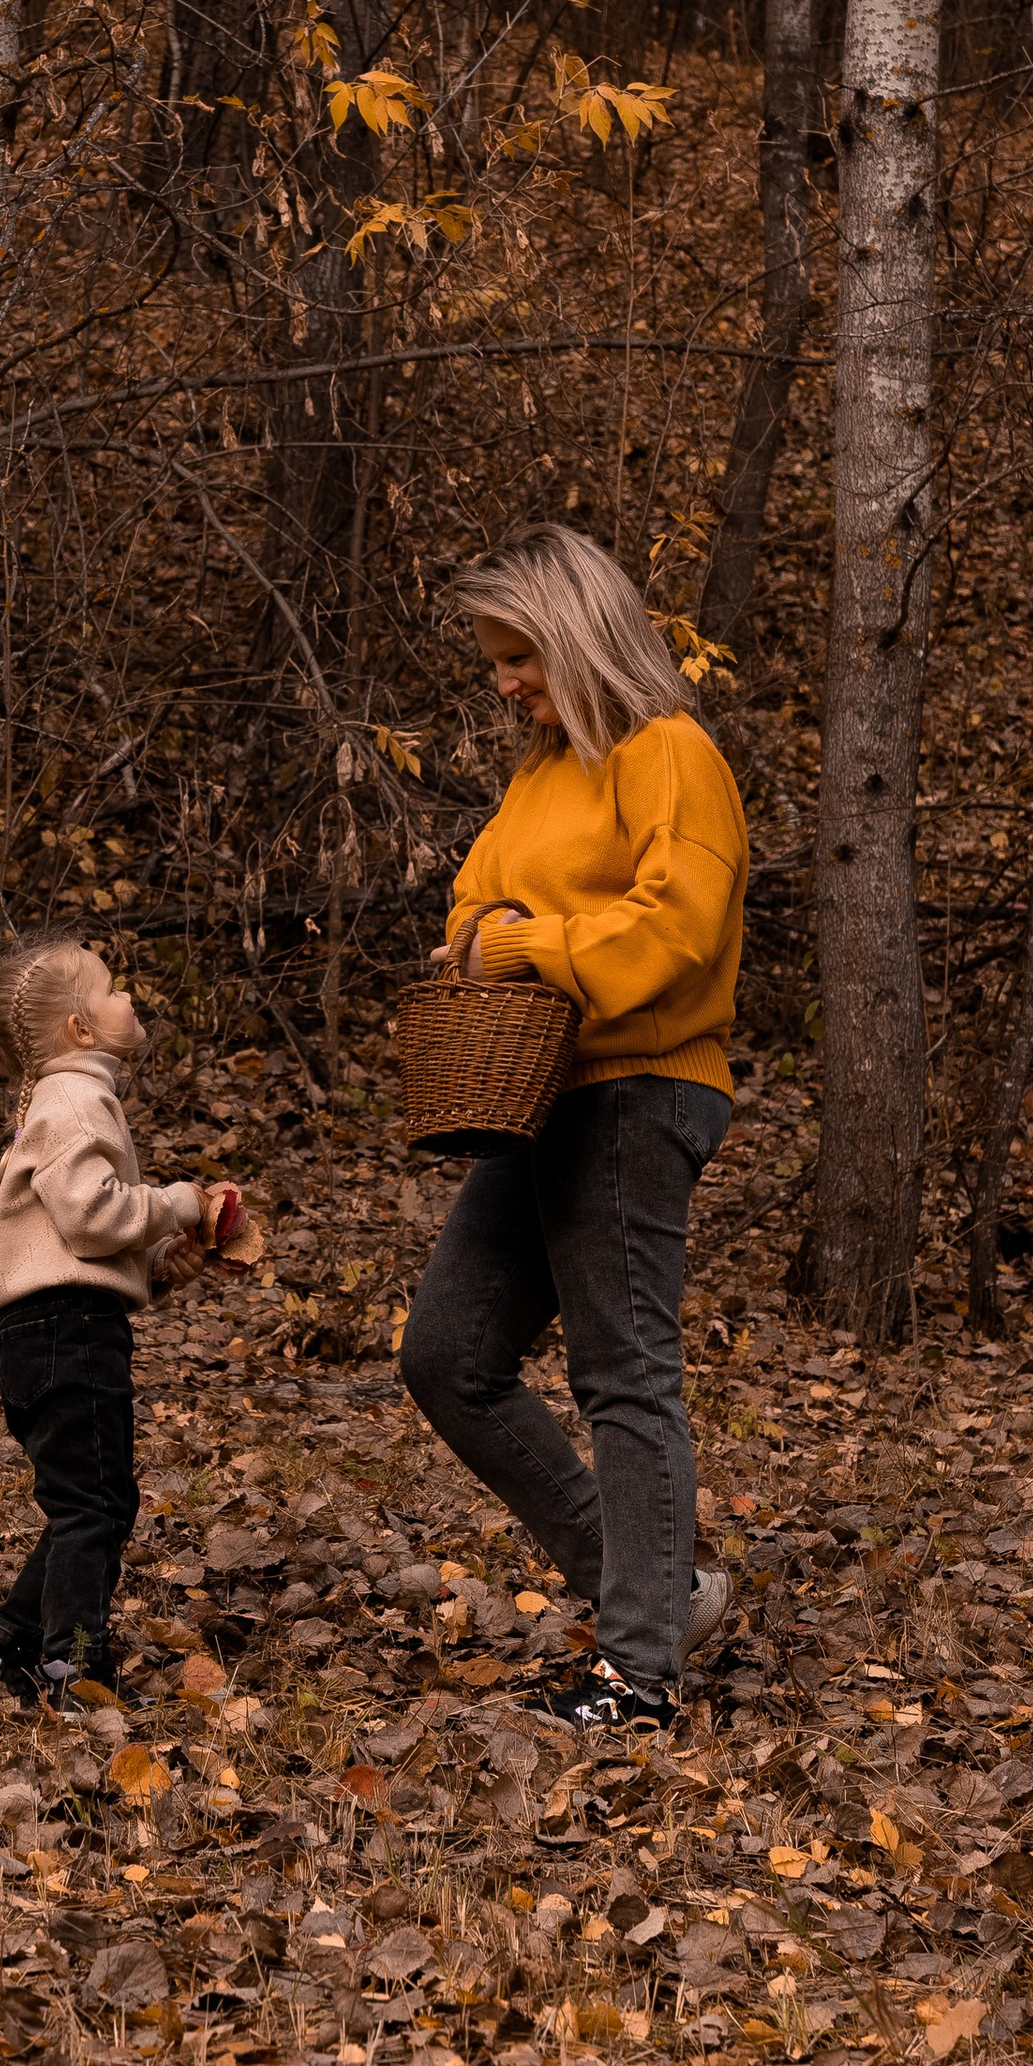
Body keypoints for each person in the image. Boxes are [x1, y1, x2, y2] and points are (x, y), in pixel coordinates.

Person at [398, 522, 749, 1732]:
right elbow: (471, 898)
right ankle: (657, 1593)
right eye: (495, 660)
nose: (503, 683)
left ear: (575, 634)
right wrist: (484, 933)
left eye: (517, 656)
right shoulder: (544, 768)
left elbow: (676, 931)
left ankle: (638, 1674)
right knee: (446, 1353)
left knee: (623, 1373)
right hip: (540, 1085)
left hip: (640, 1084)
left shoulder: (670, 754)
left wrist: (527, 939)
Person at [0, 935, 243, 1708]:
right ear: (80, 1029)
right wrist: (176, 1202)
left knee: (88, 1501)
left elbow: (75, 1243)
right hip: (66, 1333)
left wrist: (157, 1269)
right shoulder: (76, 1099)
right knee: (97, 1507)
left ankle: (5, 1645)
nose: (129, 999)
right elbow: (91, 1214)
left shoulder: (60, 1100)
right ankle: (75, 1669)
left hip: (49, 1328)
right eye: (112, 989)